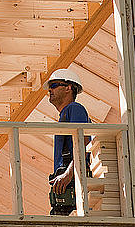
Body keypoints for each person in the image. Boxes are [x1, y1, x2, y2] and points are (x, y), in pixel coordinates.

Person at [44, 68, 91, 216]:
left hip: (72, 180)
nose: (49, 90)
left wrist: (69, 175)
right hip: (66, 183)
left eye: (54, 85)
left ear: (68, 87)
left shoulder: (74, 109)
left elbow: (82, 142)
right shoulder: (64, 115)